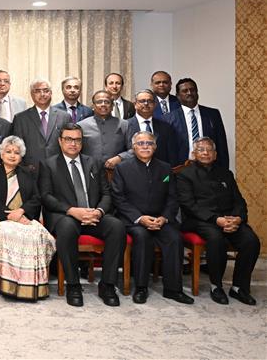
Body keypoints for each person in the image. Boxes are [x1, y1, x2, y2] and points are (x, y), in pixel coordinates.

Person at [39, 123, 126, 307]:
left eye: (77, 140)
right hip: (66, 215)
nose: (73, 144)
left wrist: (99, 211)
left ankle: (107, 284)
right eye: (69, 139)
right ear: (60, 141)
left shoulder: (94, 163)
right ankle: (73, 285)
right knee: (67, 228)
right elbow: (46, 196)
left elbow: (106, 194)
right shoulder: (48, 164)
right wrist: (72, 210)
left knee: (117, 227)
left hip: (93, 215)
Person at [111, 131, 194, 305]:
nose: (145, 147)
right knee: (142, 237)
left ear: (155, 147)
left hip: (160, 219)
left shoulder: (165, 168)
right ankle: (141, 287)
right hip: (133, 220)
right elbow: (118, 199)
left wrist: (164, 218)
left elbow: (173, 198)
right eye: (140, 143)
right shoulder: (122, 168)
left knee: (175, 238)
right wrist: (140, 218)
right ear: (133, 147)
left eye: (149, 143)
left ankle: (173, 289)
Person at [176, 137, 260, 305]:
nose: (205, 153)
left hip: (229, 218)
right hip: (200, 220)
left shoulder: (226, 174)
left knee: (251, 241)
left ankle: (239, 287)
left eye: (209, 150)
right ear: (194, 154)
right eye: (201, 150)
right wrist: (216, 219)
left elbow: (239, 201)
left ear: (215, 154)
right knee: (216, 239)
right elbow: (189, 205)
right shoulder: (185, 175)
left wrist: (238, 218)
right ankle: (216, 286)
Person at [0, 136, 55, 301]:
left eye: (16, 152)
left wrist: (21, 211)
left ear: (21, 157)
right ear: (1, 154)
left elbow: (36, 198)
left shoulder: (27, 173)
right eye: (8, 151)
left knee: (37, 235)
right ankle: (9, 285)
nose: (12, 155)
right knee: (7, 234)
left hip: (23, 216)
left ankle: (30, 286)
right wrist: (10, 216)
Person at [163, 78, 229, 169]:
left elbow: (222, 145)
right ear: (178, 96)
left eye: (192, 90)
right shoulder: (168, 119)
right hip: (180, 170)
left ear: (197, 92)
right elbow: (166, 149)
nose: (189, 93)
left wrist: (224, 170)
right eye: (185, 91)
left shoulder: (213, 114)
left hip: (210, 169)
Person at [10, 78, 72, 166]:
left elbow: (69, 144)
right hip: (30, 169)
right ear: (32, 94)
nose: (42, 94)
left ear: (51, 93)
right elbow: (16, 148)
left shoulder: (64, 117)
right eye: (38, 91)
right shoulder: (20, 118)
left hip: (58, 168)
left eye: (46, 91)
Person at [78, 90, 133, 169]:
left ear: (112, 106)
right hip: (89, 171)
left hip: (117, 170)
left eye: (107, 102)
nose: (103, 104)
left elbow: (133, 149)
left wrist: (120, 157)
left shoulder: (124, 124)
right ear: (93, 106)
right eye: (99, 102)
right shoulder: (81, 126)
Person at [125, 89, 178, 165]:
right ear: (135, 104)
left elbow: (171, 154)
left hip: (160, 170)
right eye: (142, 101)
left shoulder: (165, 126)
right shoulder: (125, 125)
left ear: (155, 104)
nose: (146, 104)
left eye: (150, 101)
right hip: (132, 169)